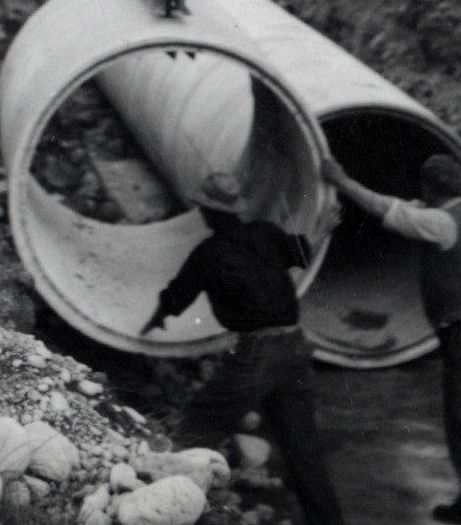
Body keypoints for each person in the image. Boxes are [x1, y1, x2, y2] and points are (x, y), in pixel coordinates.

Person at [321, 153, 461, 525]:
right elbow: (403, 207)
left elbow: (387, 208)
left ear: (431, 187)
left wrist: (343, 182)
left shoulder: (439, 222)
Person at [142, 172, 345, 525]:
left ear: (210, 213)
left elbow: (177, 297)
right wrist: (323, 225)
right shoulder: (266, 233)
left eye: (203, 208)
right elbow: (301, 251)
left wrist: (153, 322)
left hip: (258, 352)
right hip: (296, 346)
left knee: (197, 424)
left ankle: (173, 509)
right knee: (302, 447)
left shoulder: (209, 253)